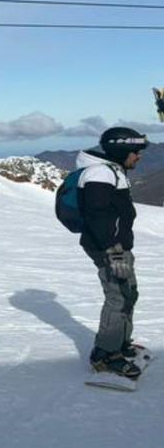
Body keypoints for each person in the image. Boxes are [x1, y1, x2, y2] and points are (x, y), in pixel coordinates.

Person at [77, 126, 150, 379]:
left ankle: (119, 344)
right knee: (117, 296)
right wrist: (114, 251)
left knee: (129, 292)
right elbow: (97, 216)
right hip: (108, 248)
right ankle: (105, 355)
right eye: (135, 152)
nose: (139, 157)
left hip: (118, 246)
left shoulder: (112, 170)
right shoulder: (100, 173)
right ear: (121, 150)